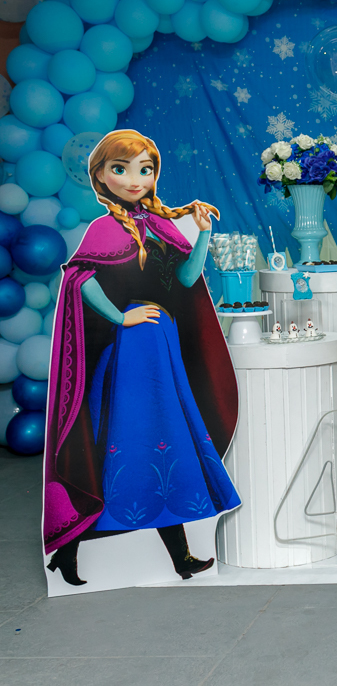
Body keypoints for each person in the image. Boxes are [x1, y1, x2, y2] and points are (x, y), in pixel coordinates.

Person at [42, 129, 240, 586]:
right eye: (121, 169)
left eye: (145, 170)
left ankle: (181, 558)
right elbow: (79, 278)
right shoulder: (103, 228)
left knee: (165, 440)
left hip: (161, 346)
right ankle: (69, 553)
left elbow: (187, 280)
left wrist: (203, 236)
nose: (135, 179)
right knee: (130, 443)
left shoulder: (161, 225)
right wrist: (119, 317)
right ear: (101, 176)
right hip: (131, 352)